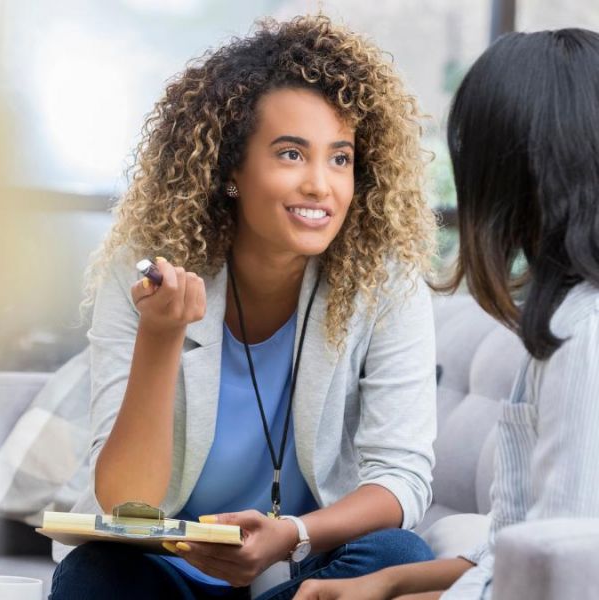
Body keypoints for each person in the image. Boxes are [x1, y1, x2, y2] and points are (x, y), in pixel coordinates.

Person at [49, 15, 439, 600]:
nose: (320, 185)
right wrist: (161, 337)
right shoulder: (148, 270)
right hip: (166, 567)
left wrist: (293, 534)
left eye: (340, 158)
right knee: (94, 574)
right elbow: (127, 502)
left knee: (398, 555)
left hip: (303, 573)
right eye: (290, 154)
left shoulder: (386, 283)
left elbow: (401, 478)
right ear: (231, 168)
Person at [294, 27, 599, 600]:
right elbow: (511, 555)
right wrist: (386, 585)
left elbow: (561, 579)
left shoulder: (587, 336)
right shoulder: (557, 325)